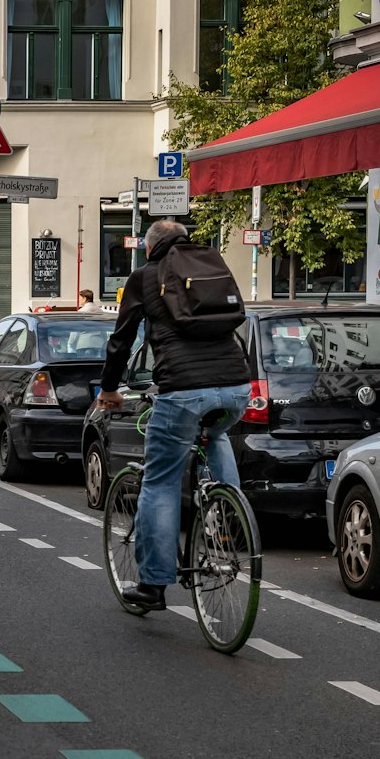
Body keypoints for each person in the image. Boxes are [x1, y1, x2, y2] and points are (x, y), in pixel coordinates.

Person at [93, 220, 251, 611]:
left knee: (160, 483)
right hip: (236, 385)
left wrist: (109, 389)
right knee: (216, 435)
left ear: (150, 249)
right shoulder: (211, 263)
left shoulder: (145, 277)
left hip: (182, 389)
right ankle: (230, 517)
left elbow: (121, 341)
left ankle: (153, 585)